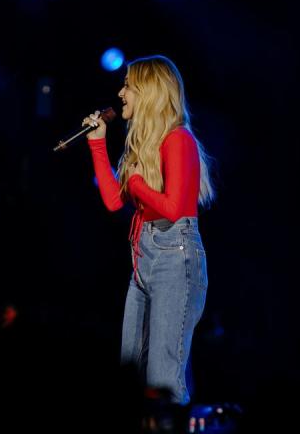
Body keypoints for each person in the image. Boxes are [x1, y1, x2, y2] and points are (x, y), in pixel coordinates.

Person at [83, 55, 215, 405]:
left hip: (175, 258)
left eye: (128, 85)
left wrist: (137, 181)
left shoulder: (178, 140)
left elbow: (173, 208)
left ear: (148, 92)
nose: (120, 92)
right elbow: (114, 201)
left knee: (162, 379)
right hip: (144, 257)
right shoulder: (141, 147)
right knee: (129, 369)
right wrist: (98, 143)